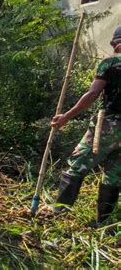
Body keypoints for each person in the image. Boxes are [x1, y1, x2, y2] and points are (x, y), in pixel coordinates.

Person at [51, 26, 121, 225]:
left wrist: (66, 116)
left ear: (117, 44)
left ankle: (59, 215)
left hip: (109, 124)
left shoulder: (111, 63)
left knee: (77, 164)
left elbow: (92, 94)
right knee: (114, 176)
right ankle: (102, 224)